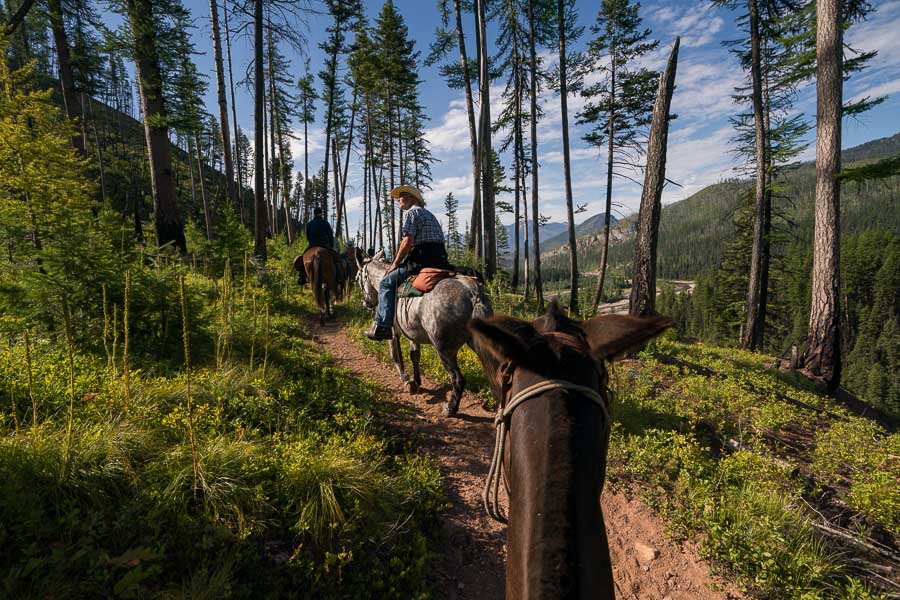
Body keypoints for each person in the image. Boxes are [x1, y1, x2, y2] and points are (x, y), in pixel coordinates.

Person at [365, 185, 449, 341]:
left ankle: (383, 326)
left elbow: (407, 241)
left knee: (386, 283)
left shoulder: (412, 213)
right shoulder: (429, 214)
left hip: (421, 259)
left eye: (402, 196)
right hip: (440, 259)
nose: (398, 199)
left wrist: (395, 264)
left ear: (412, 199)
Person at [298, 206, 335, 286]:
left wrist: (312, 243)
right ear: (321, 213)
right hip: (324, 245)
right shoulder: (325, 223)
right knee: (337, 259)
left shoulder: (310, 224)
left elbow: (307, 236)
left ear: (314, 214)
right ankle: (337, 276)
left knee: (301, 258)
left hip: (312, 245)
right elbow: (330, 236)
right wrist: (331, 245)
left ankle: (302, 276)